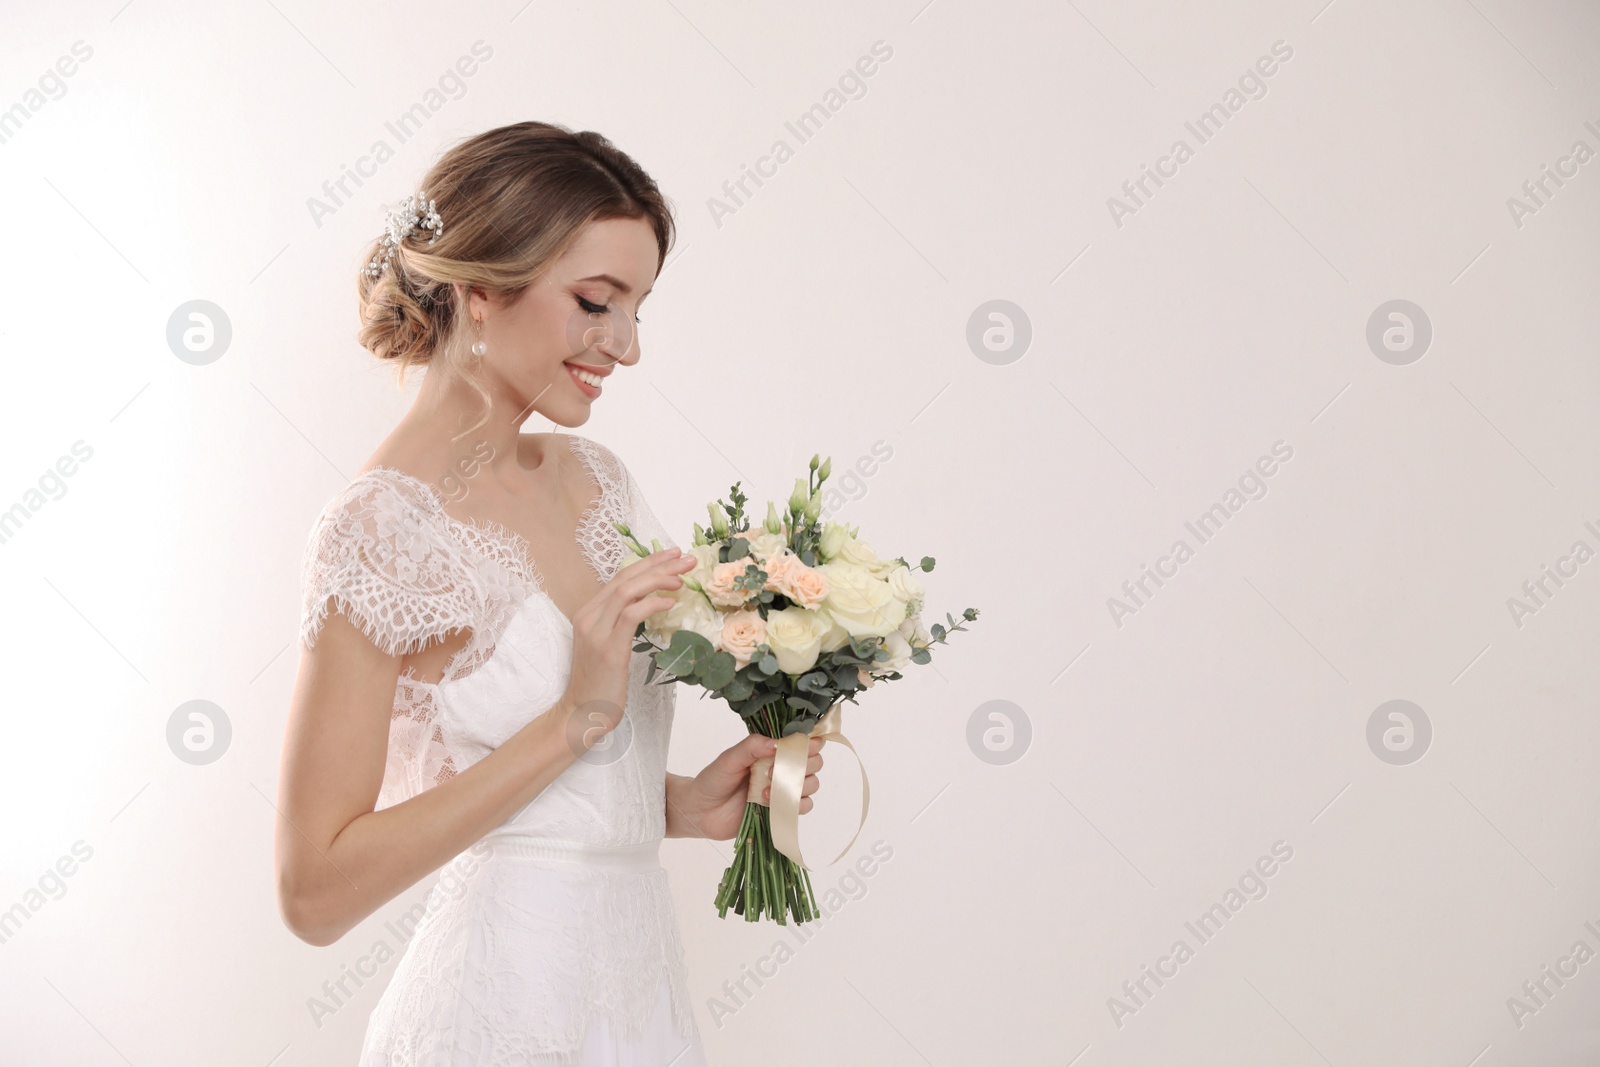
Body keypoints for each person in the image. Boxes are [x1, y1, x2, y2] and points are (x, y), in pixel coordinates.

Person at [272, 120, 825, 1065]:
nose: (627, 345)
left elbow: (555, 798)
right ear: (482, 289)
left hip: (642, 997)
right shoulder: (379, 531)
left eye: (638, 308)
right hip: (494, 1018)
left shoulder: (596, 480)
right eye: (597, 302)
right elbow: (313, 891)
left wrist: (680, 804)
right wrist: (573, 717)